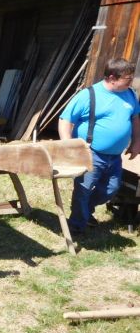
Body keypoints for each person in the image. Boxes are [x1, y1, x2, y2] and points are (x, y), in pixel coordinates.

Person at [58, 58, 140, 233]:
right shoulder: (88, 95)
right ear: (112, 77)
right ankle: (77, 226)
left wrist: (136, 142)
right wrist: (68, 146)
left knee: (112, 188)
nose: (131, 82)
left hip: (115, 156)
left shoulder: (131, 94)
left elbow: (135, 119)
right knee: (83, 189)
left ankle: (85, 212)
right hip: (90, 153)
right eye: (127, 79)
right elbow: (65, 120)